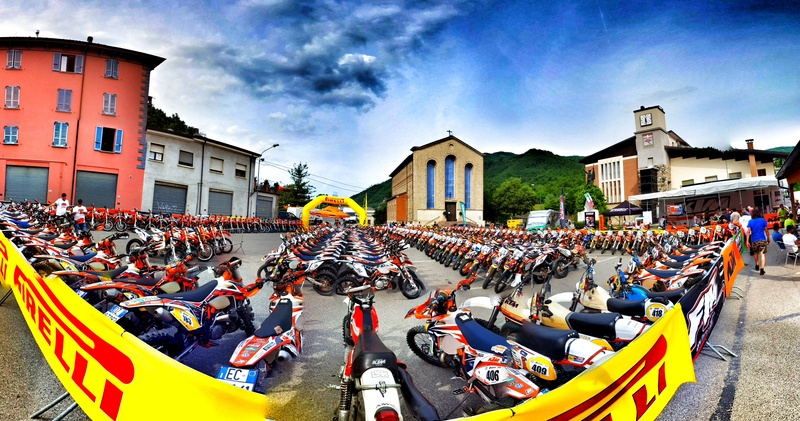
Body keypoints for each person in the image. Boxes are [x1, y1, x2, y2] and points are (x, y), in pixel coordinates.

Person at [746, 208, 769, 275]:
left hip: (754, 240)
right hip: (762, 239)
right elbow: (766, 230)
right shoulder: (763, 220)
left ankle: (757, 265)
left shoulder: (751, 221)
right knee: (762, 254)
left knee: (756, 253)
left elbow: (748, 232)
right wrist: (768, 238)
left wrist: (747, 241)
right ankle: (762, 269)